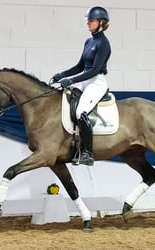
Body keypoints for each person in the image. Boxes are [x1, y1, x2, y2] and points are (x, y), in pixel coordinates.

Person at [52, 6, 111, 166]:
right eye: (88, 20)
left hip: (96, 82)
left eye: (91, 21)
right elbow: (80, 66)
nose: (88, 23)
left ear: (101, 22)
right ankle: (72, 144)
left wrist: (71, 81)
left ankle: (87, 153)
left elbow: (95, 70)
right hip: (85, 80)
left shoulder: (103, 43)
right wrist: (62, 75)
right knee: (66, 101)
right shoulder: (89, 41)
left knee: (80, 111)